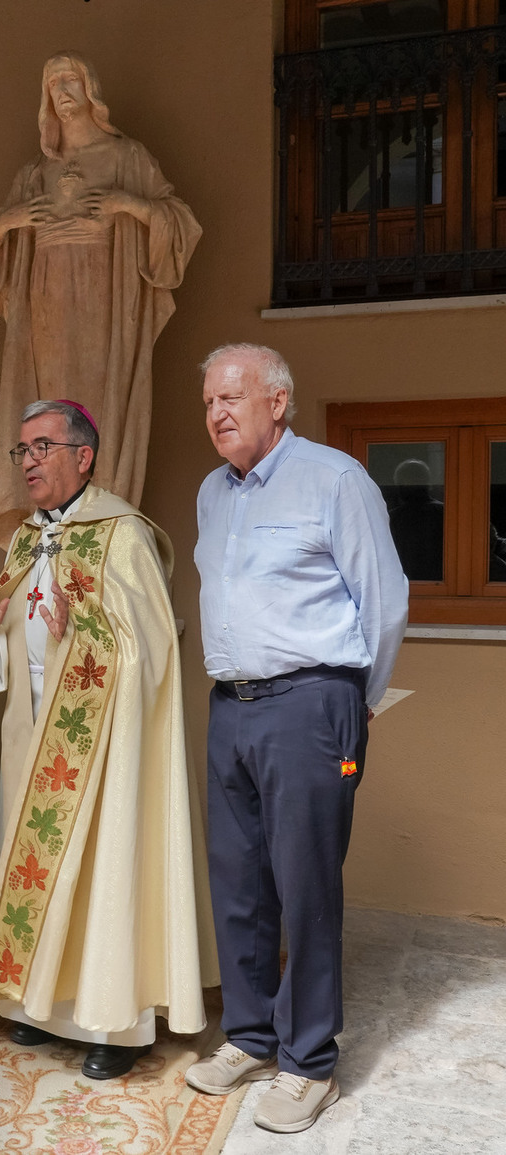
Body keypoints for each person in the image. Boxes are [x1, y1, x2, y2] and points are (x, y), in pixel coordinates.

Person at [0, 399, 218, 1080]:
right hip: (33, 733)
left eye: (41, 447)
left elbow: (152, 652)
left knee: (103, 871)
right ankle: (36, 1007)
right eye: (21, 450)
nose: (27, 461)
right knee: (33, 872)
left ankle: (114, 1024)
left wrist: (88, 633)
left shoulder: (123, 535)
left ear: (82, 457)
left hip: (104, 745)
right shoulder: (27, 540)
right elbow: (11, 643)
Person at [188, 345, 408, 1133]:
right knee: (239, 880)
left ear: (278, 402)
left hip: (312, 702)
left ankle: (308, 1059)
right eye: (209, 399)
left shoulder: (335, 478)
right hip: (231, 706)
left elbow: (383, 601)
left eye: (232, 397)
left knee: (307, 882)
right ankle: (249, 1035)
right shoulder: (214, 493)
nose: (216, 412)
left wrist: (355, 699)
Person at [0, 53, 202, 547]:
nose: (61, 90)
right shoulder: (35, 173)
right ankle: (48, 519)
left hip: (103, 306)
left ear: (90, 87)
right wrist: (6, 224)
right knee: (45, 409)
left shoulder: (127, 157)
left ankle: (101, 520)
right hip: (44, 308)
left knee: (100, 407)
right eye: (52, 83)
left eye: (69, 79)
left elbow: (181, 220)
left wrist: (130, 204)